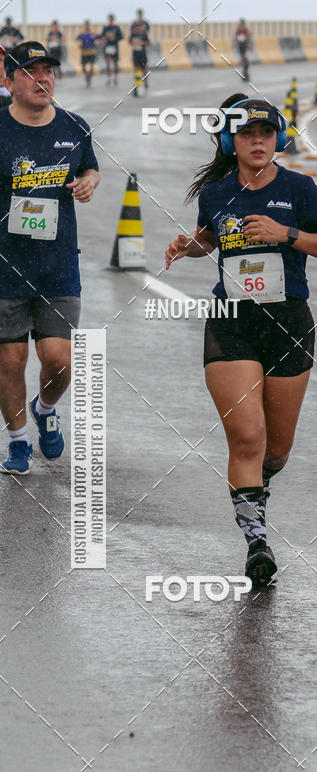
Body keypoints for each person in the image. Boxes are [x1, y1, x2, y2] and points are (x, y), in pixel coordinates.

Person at [164, 95, 317, 585]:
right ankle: (257, 544)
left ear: (278, 139)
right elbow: (212, 238)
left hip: (288, 322)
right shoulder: (218, 192)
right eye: (247, 134)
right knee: (247, 436)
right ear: (232, 141)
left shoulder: (300, 189)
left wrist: (286, 234)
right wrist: (191, 246)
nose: (258, 142)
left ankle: (256, 488)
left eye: (266, 134)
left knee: (275, 450)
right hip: (231, 321)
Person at [0, 41, 100, 475]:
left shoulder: (75, 126)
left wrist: (89, 181)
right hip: (5, 267)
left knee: (59, 359)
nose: (42, 79)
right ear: (8, 81)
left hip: (58, 266)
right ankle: (19, 441)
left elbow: (91, 167)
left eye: (48, 70)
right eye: (29, 71)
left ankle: (44, 407)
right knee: (10, 360)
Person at [129, 9, 150, 94]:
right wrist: (133, 43)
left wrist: (142, 42)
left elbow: (148, 43)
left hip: (142, 54)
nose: (137, 29)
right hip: (135, 55)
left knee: (144, 69)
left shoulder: (143, 34)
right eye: (136, 28)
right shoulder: (133, 35)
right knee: (137, 71)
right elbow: (129, 42)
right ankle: (137, 86)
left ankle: (145, 81)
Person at [101, 14, 123, 86]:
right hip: (107, 46)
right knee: (107, 62)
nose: (110, 20)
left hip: (114, 46)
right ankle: (109, 78)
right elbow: (102, 36)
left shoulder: (116, 28)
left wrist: (115, 38)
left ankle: (115, 77)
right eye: (109, 19)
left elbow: (121, 37)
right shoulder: (106, 28)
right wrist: (103, 40)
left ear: (113, 20)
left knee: (115, 63)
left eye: (111, 19)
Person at [77, 20, 98, 87]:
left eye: (88, 24)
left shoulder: (93, 32)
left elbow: (97, 39)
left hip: (92, 51)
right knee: (83, 66)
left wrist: (96, 42)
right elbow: (78, 39)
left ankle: (90, 78)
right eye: (86, 25)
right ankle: (86, 75)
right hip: (84, 52)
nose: (87, 26)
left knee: (91, 66)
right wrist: (80, 43)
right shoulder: (82, 32)